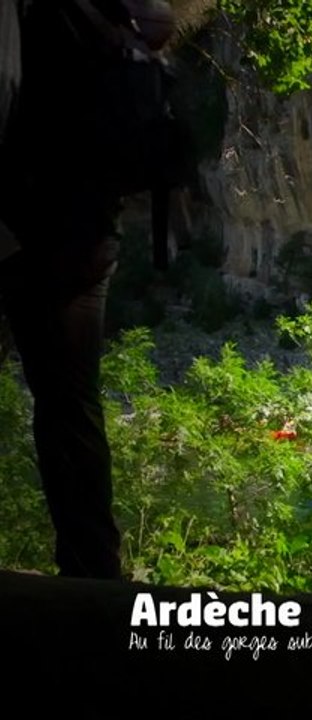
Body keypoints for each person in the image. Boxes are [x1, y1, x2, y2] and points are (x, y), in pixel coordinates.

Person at [0, 1, 179, 579]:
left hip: (26, 227)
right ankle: (93, 567)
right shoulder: (108, 14)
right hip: (91, 232)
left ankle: (89, 569)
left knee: (65, 404)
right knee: (72, 404)